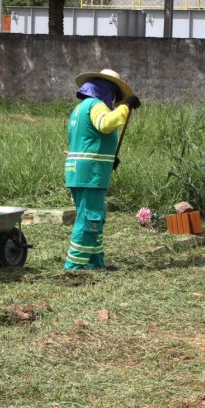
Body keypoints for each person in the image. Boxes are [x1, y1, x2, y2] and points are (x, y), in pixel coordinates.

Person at [64, 69, 141, 271]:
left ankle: (95, 262)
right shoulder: (96, 105)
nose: (114, 99)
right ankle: (75, 266)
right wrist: (125, 106)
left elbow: (88, 140)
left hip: (79, 171)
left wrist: (109, 159)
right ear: (106, 89)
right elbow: (105, 125)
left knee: (94, 216)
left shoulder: (80, 108)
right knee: (89, 218)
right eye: (114, 94)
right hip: (90, 173)